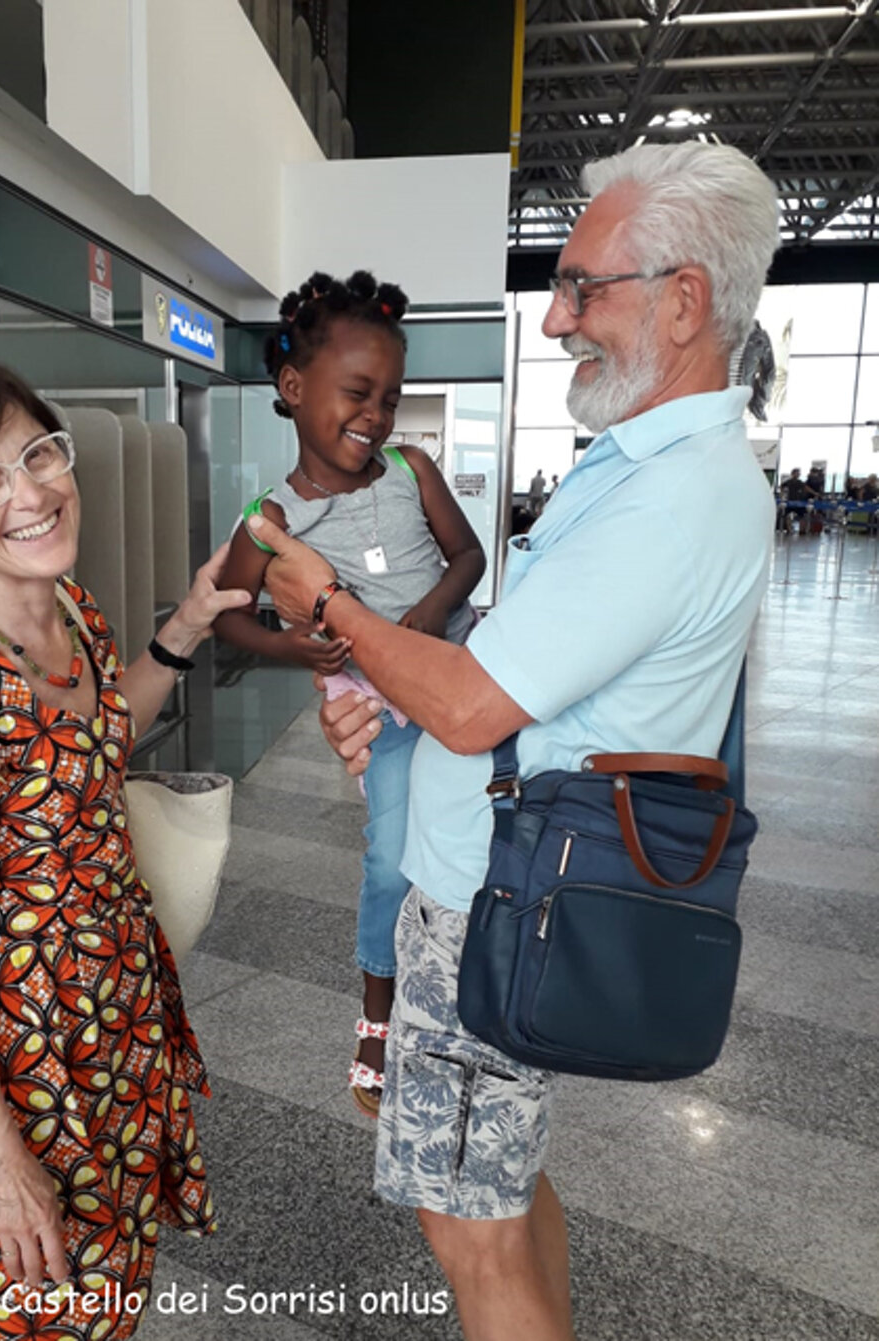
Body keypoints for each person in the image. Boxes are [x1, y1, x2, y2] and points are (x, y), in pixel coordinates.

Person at [248, 139, 779, 1341]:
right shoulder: (644, 467)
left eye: (582, 286)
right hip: (499, 886)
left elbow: (478, 707)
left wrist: (326, 604)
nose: (554, 320)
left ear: (684, 300)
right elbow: (528, 661)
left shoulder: (674, 494)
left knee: (468, 1229)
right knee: (503, 1187)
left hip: (496, 897)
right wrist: (393, 685)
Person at [0, 358, 250, 1339]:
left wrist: (189, 625)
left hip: (110, 1032)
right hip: (11, 1069)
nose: (31, 492)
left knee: (103, 1304)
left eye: (37, 453)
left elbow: (93, 746)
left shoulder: (70, 616)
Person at [213, 270, 485, 1115]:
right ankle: (377, 1013)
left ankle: (479, 982)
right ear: (294, 390)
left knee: (486, 825)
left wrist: (427, 616)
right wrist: (298, 646)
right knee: (387, 852)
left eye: (390, 399)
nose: (376, 417)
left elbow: (469, 555)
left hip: (462, 670)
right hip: (384, 709)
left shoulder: (413, 468)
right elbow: (227, 618)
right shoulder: (269, 520)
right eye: (357, 393)